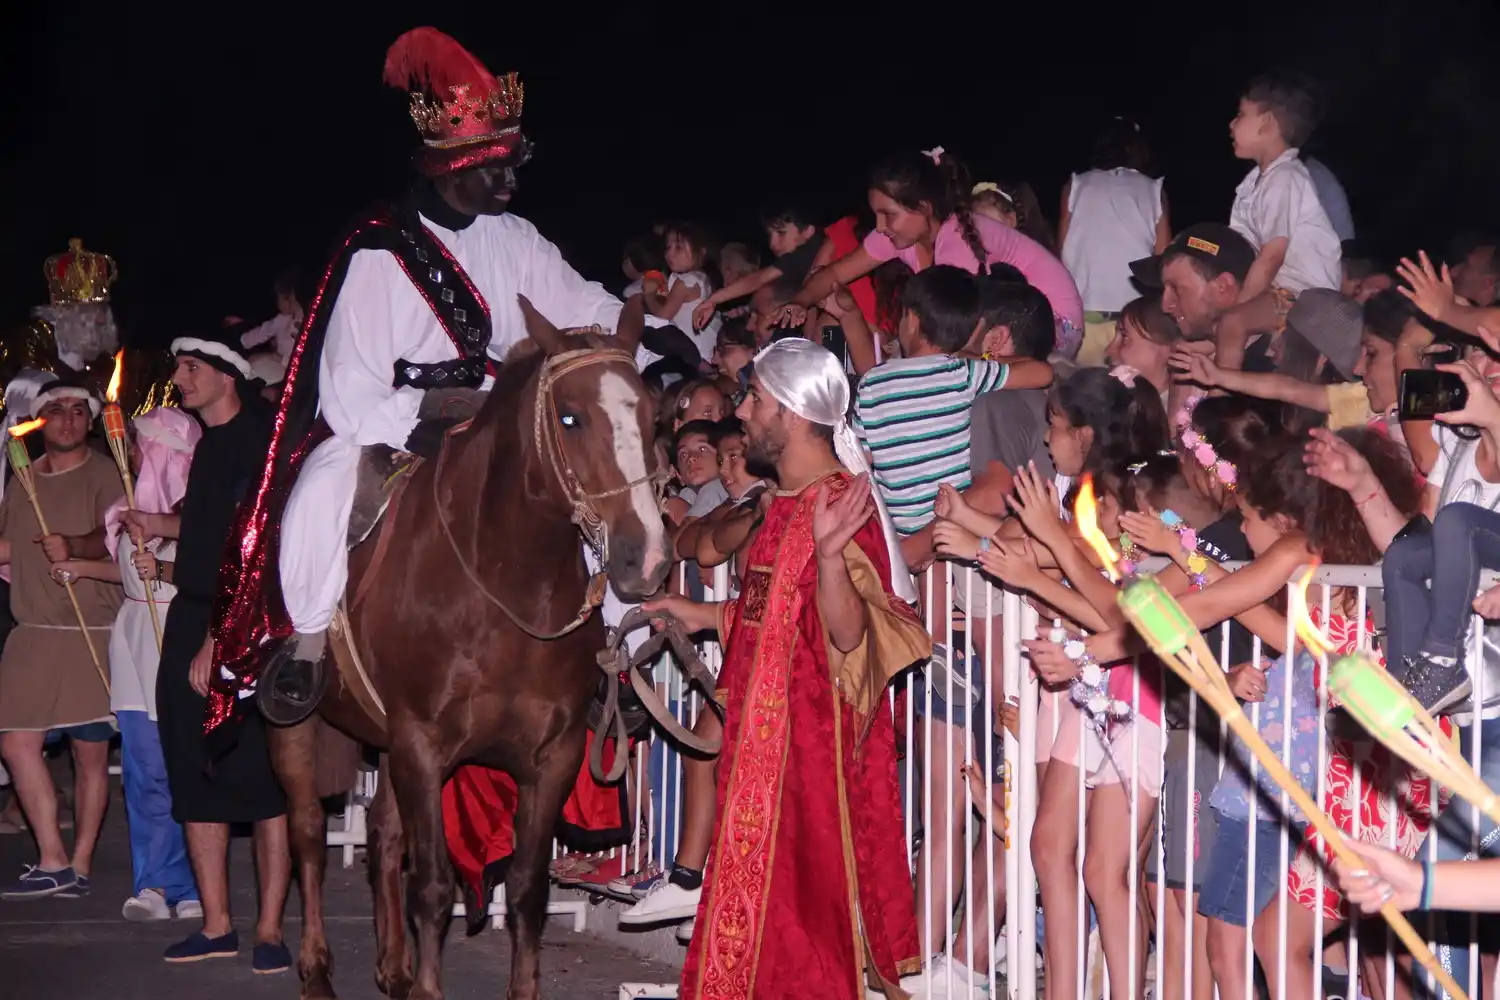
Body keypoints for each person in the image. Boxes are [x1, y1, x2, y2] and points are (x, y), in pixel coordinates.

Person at [225, 28, 684, 729]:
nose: (509, 182)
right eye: (494, 169)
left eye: (511, 166)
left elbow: (579, 301)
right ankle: (308, 644)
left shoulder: (517, 238)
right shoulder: (380, 248)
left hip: (506, 409)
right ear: (449, 167)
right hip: (395, 413)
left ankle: (610, 657)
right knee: (323, 486)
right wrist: (419, 420)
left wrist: (649, 326)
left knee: (590, 488)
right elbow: (349, 386)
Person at [644, 338, 927, 1000]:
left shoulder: (840, 506)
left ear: (795, 415)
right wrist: (696, 614)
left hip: (810, 764)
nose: (742, 415)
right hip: (766, 753)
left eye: (757, 401)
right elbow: (771, 617)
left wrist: (830, 560)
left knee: (806, 940)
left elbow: (850, 638)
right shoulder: (787, 501)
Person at [120, 331, 292, 969]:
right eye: (179, 368)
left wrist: (220, 638)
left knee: (265, 784)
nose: (181, 378)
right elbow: (213, 530)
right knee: (194, 775)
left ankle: (270, 932)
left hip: (242, 628)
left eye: (191, 368)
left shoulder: (256, 444)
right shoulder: (211, 446)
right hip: (195, 618)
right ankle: (217, 925)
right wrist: (158, 525)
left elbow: (256, 551)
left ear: (228, 375)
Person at [0, 375, 122, 900]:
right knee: (15, 742)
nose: (68, 419)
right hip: (32, 632)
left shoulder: (105, 473)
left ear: (90, 421)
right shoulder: (20, 479)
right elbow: (11, 547)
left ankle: (80, 862)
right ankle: (52, 858)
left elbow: (113, 534)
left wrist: (74, 544)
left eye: (78, 410)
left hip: (88, 629)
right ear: (40, 419)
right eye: (57, 410)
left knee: (89, 755)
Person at [779, 150, 1085, 359]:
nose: (880, 226)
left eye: (888, 214)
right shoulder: (901, 236)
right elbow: (834, 273)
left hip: (1056, 326)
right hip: (1006, 326)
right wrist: (800, 301)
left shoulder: (958, 240)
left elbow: (956, 330)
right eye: (876, 215)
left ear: (924, 208)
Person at [94, 407, 203, 920]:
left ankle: (193, 886)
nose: (135, 455)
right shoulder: (128, 507)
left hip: (177, 638)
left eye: (143, 446)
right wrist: (75, 565)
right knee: (143, 770)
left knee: (181, 767)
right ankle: (154, 883)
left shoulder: (199, 511)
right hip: (135, 639)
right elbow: (128, 575)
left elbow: (216, 574)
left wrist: (163, 565)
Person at [1220, 71, 1342, 369]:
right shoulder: (1255, 183)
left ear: (1267, 124)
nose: (1231, 123)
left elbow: (1271, 256)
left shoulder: (1284, 178)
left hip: (1306, 299)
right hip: (1281, 292)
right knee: (1200, 333)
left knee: (1233, 322)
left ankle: (1216, 404)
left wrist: (1239, 307)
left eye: (1240, 114)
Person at [1058, 118, 1172, 368]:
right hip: (1130, 324)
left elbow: (1063, 251)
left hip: (1079, 317)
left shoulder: (1076, 185)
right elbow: (1162, 260)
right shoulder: (1153, 190)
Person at [647, 221, 720, 358]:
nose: (670, 254)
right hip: (708, 350)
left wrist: (648, 296)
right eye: (668, 247)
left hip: (697, 354)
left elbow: (662, 317)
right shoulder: (703, 278)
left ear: (701, 252)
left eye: (679, 248)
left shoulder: (685, 281)